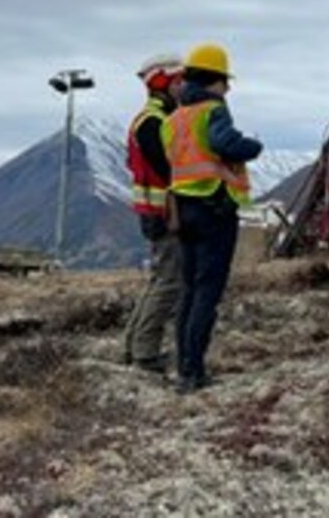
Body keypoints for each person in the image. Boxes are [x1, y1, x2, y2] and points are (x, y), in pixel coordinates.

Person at [162, 43, 262, 394]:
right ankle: (194, 372)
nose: (229, 89)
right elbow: (224, 144)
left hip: (183, 211)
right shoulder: (213, 110)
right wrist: (252, 146)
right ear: (214, 80)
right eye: (225, 81)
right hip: (213, 209)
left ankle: (183, 368)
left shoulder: (174, 119)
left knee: (189, 290)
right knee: (207, 291)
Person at [122, 53, 185, 373]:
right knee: (168, 283)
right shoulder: (155, 123)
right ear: (165, 83)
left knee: (159, 280)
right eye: (179, 81)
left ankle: (133, 347)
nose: (184, 86)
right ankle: (145, 353)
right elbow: (170, 168)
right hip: (165, 213)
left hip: (154, 211)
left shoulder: (145, 120)